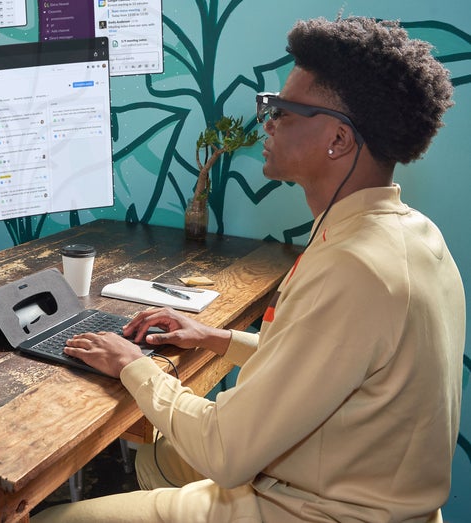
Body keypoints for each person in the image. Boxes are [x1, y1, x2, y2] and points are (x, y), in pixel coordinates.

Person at [33, 16, 464, 522]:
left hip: (315, 511)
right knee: (158, 458)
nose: (268, 123)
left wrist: (132, 363)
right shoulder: (411, 233)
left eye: (282, 110)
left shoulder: (355, 268)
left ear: (339, 139)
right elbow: (325, 360)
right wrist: (213, 337)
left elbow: (225, 452)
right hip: (358, 486)